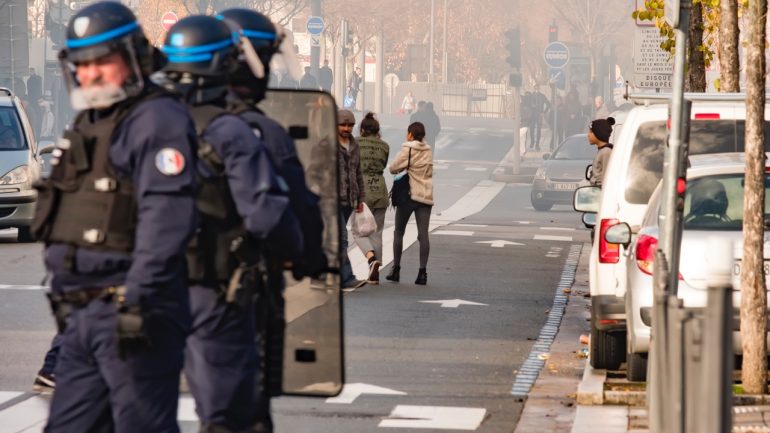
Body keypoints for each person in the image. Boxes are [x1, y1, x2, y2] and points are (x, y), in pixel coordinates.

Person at [32, 2, 198, 431]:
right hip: (82, 316)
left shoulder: (157, 119)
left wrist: (136, 302)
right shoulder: (93, 120)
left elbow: (166, 223)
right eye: (81, 64)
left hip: (133, 314)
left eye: (101, 62)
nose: (90, 74)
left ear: (133, 57)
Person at [160, 15, 302, 433]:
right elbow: (276, 220)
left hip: (143, 291)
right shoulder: (249, 131)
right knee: (234, 416)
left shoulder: (143, 124)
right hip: (219, 293)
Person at [218, 8, 326, 430]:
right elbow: (293, 212)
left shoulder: (159, 123)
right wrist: (306, 256)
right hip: (238, 297)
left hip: (158, 297)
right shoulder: (259, 132)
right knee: (243, 413)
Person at [386, 122, 433, 285]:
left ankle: (396, 270)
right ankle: (422, 273)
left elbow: (393, 168)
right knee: (423, 235)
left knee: (399, 232)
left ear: (411, 134)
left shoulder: (408, 148)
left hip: (408, 196)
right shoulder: (428, 151)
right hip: (425, 196)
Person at [354, 112, 389, 283]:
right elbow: (383, 165)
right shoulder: (385, 146)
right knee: (377, 232)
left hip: (362, 191)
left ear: (362, 129)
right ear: (377, 130)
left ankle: (371, 259)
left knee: (358, 232)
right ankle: (375, 271)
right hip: (380, 191)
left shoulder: (355, 143)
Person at [338, 109, 366, 289]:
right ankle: (347, 277)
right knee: (342, 238)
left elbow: (358, 173)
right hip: (331, 200)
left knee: (331, 241)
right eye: (343, 124)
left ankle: (321, 276)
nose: (347, 128)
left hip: (349, 201)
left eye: (350, 125)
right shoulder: (326, 145)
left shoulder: (355, 145)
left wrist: (361, 199)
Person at [588, 117, 615, 188]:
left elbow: (606, 179)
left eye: (591, 132)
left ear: (599, 133)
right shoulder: (601, 151)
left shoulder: (606, 152)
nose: (588, 135)